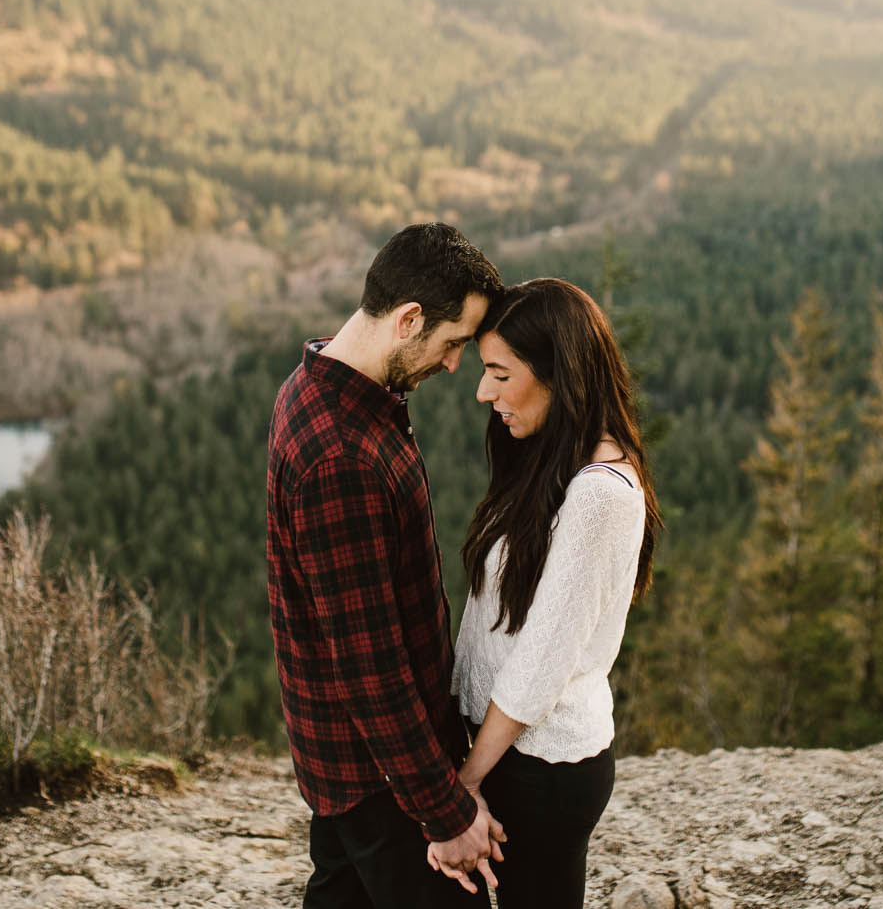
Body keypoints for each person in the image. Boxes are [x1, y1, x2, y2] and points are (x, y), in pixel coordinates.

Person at [267, 222, 509, 907]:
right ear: (408, 319)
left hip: (344, 764)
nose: (456, 364)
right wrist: (445, 810)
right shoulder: (343, 453)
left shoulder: (317, 387)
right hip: (381, 780)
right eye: (453, 341)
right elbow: (370, 665)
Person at [433, 278, 663, 907]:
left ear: (560, 374)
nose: (484, 392)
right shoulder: (546, 459)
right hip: (500, 752)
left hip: (539, 769)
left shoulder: (599, 496)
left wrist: (465, 781)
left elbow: (541, 660)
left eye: (501, 374)